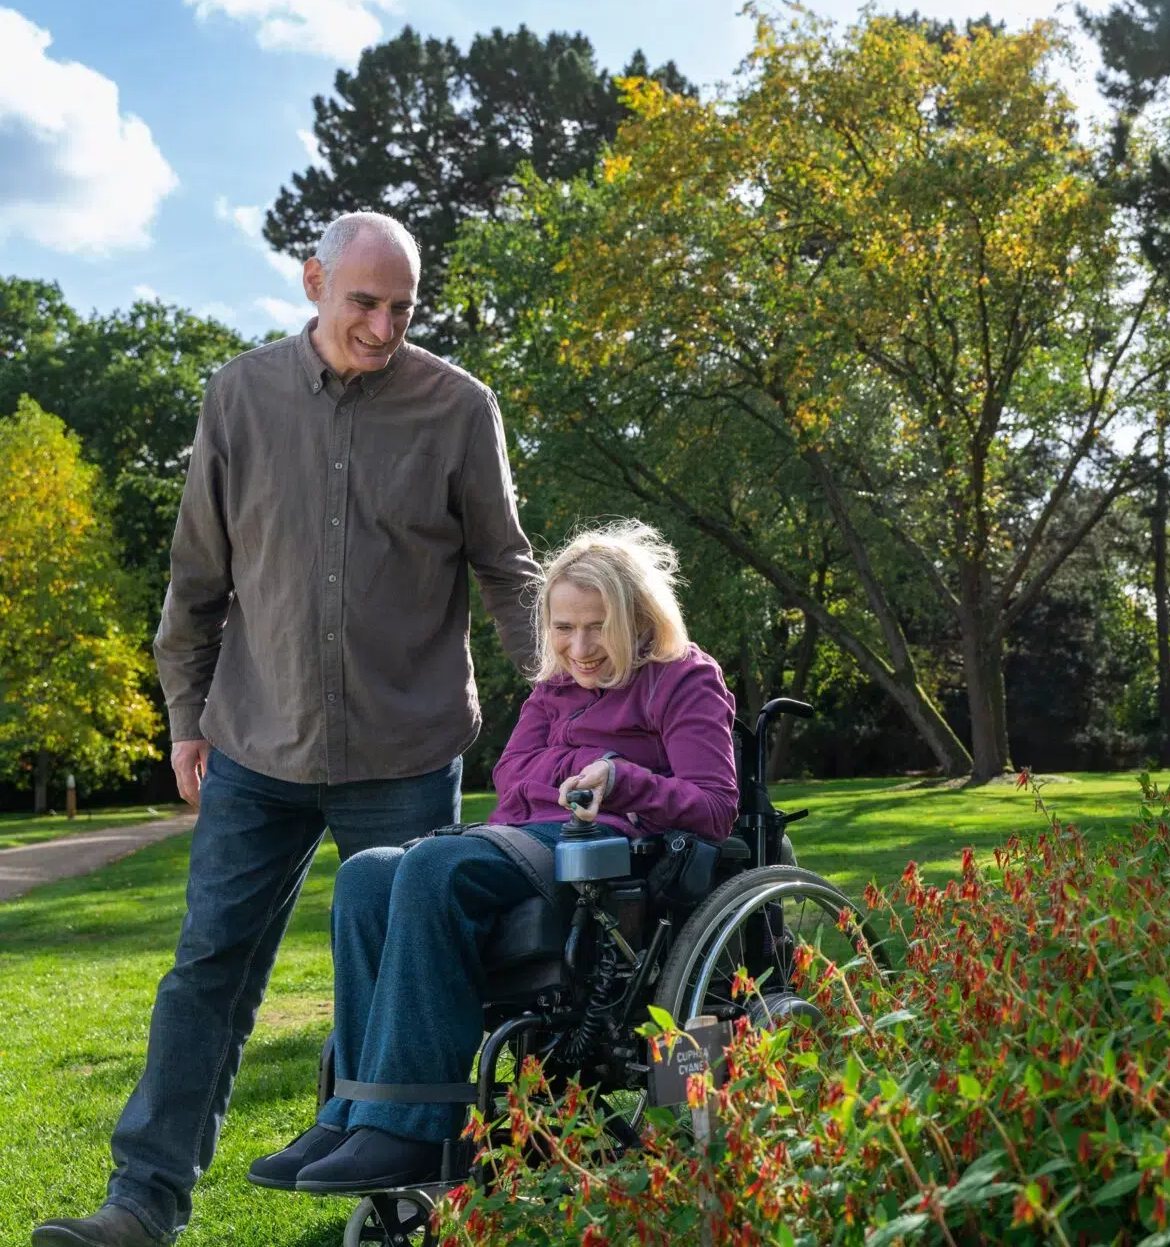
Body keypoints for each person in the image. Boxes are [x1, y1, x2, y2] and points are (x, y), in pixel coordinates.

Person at [34, 212, 543, 1247]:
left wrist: (565, 696)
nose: (383, 325)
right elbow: (196, 581)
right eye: (364, 301)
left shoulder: (458, 408)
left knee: (419, 971)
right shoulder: (239, 396)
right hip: (255, 745)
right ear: (313, 281)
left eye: (402, 308)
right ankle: (143, 1203)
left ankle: (400, 1204)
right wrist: (185, 720)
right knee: (206, 970)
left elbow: (508, 568)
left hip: (404, 746)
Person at [249, 521, 739, 1192]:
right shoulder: (553, 689)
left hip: (617, 862)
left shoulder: (684, 681)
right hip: (524, 845)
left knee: (430, 866)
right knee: (365, 875)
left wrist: (623, 780)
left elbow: (714, 808)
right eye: (563, 628)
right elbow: (515, 782)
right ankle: (353, 1114)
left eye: (597, 627)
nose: (579, 647)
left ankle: (414, 1132)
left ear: (638, 617)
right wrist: (581, 767)